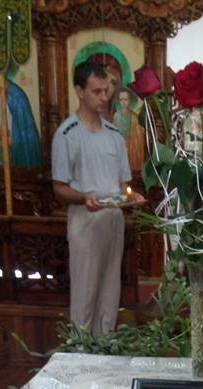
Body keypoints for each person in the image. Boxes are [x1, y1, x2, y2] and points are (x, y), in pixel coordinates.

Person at [51, 61, 141, 335]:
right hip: (85, 221)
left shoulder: (114, 135)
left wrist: (130, 197)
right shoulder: (67, 134)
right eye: (96, 91)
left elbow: (123, 184)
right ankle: (80, 349)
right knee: (86, 293)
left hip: (113, 220)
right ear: (80, 91)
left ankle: (105, 347)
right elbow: (59, 187)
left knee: (110, 292)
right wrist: (84, 197)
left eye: (106, 91)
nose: (103, 98)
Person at [113, 88, 145, 173]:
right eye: (121, 100)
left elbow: (139, 140)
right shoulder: (116, 116)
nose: (123, 102)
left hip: (132, 152)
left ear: (130, 100)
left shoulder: (135, 118)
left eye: (126, 100)